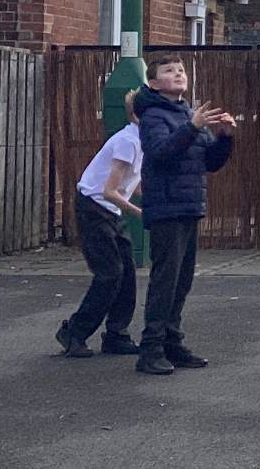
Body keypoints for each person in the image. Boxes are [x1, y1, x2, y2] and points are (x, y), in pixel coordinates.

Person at [132, 55, 234, 376]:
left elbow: (210, 162)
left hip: (189, 205)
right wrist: (192, 127)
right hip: (166, 207)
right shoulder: (153, 115)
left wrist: (225, 137)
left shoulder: (190, 114)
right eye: (168, 71)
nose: (178, 74)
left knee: (182, 280)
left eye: (181, 70)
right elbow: (160, 153)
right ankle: (150, 349)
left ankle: (172, 342)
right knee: (165, 280)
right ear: (153, 83)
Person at [55, 90, 145, 358]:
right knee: (110, 273)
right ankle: (73, 332)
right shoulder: (128, 141)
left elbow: (133, 183)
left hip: (110, 210)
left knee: (127, 272)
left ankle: (117, 335)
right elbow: (109, 191)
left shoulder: (143, 141)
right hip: (94, 207)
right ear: (137, 115)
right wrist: (140, 212)